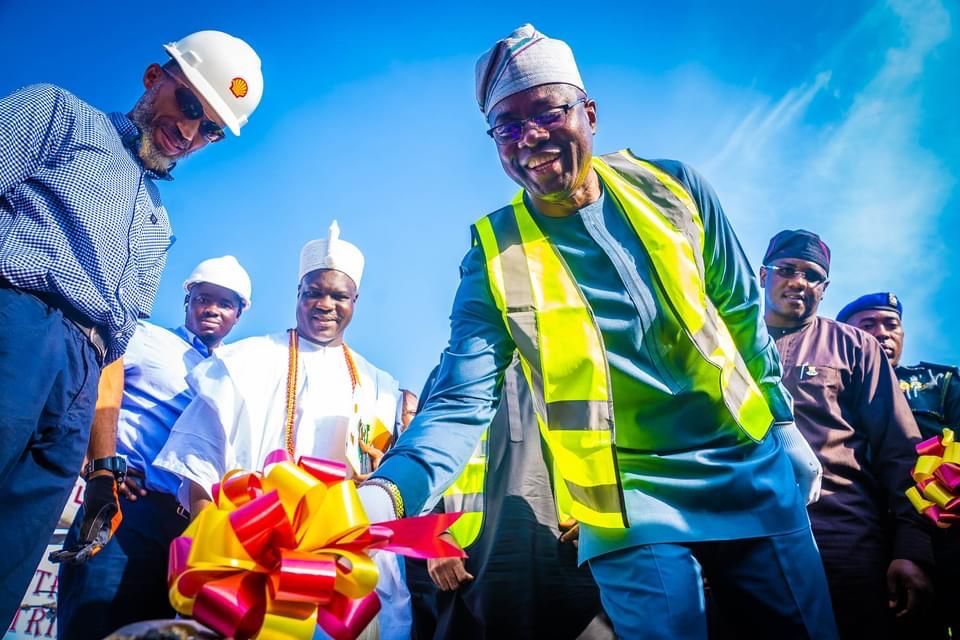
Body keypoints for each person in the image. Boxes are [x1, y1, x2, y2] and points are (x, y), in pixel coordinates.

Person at [358, 24, 837, 640]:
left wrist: (782, 423)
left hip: (747, 463)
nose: (530, 137)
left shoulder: (675, 188)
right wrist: (387, 495)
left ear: (590, 113)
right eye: (506, 126)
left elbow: (742, 312)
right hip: (625, 498)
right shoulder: (493, 254)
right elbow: (459, 400)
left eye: (547, 113)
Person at [0, 29, 263, 623]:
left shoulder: (157, 223)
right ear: (153, 78)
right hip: (17, 327)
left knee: (8, 561)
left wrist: (102, 468)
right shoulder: (60, 113)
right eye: (189, 104)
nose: (190, 132)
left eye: (211, 129)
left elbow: (114, 349)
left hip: (78, 394)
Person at [154, 222, 411, 640]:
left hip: (344, 565)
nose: (325, 304)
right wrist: (212, 554)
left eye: (338, 296)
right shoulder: (245, 361)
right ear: (298, 294)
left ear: (355, 301)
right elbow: (198, 461)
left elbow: (384, 471)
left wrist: (381, 475)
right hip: (252, 559)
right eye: (314, 292)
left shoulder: (379, 384)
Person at [56, 256, 251, 639]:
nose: (212, 309)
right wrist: (94, 461)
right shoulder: (144, 338)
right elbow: (90, 385)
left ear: (238, 314)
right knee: (96, 624)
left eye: (225, 303)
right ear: (187, 301)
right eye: (203, 298)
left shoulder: (234, 372)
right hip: (127, 510)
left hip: (189, 529)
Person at [760, 231, 933, 640]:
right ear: (764, 275)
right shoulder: (726, 344)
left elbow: (901, 451)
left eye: (812, 276)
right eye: (787, 270)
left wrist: (912, 549)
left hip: (842, 536)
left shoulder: (854, 346)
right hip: (741, 536)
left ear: (824, 288)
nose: (799, 282)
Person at [413, 357, 613, 639]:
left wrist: (603, 508)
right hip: (472, 574)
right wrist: (433, 535)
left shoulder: (579, 360)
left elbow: (613, 445)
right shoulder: (450, 373)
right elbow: (421, 464)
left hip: (576, 564)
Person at [838, 291, 959, 639]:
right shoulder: (829, 391)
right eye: (867, 325)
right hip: (858, 537)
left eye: (891, 325)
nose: (882, 333)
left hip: (942, 536)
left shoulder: (939, 382)